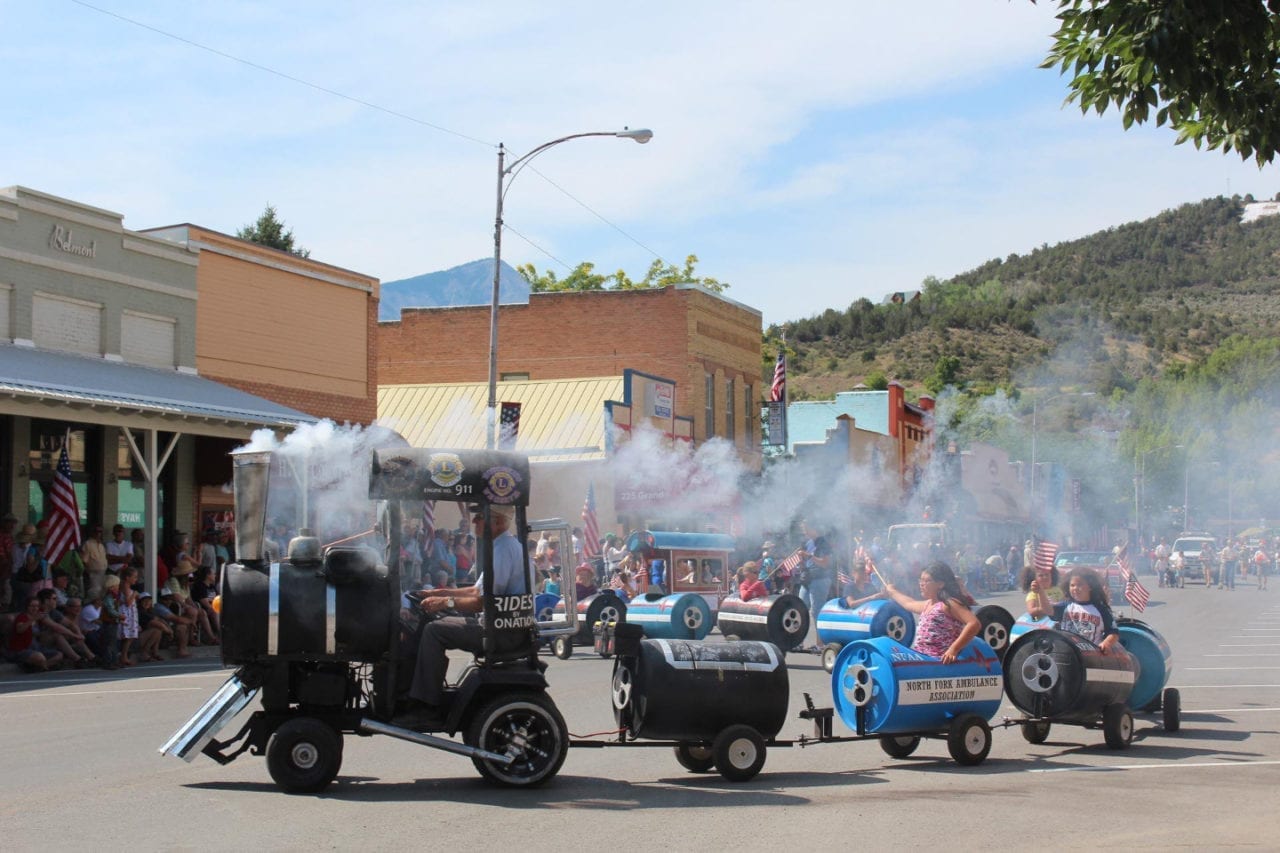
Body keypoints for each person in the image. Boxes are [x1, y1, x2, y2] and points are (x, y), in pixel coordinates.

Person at [394, 505, 535, 729]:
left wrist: (445, 602)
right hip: (500, 626)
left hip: (501, 631)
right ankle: (418, 694)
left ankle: (426, 707)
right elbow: (476, 591)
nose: (474, 522)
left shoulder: (502, 550)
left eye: (480, 517)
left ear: (497, 522)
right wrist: (437, 593)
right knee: (433, 623)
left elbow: (482, 601)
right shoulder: (502, 546)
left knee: (433, 631)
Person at [883, 561, 980, 664]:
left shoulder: (949, 603)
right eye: (920, 580)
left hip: (939, 662)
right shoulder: (928, 604)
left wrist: (953, 649)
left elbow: (974, 623)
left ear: (940, 584)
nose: (921, 584)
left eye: (927, 581)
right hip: (923, 659)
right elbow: (909, 603)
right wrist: (892, 592)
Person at [1049, 570, 1120, 653]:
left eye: (1079, 585)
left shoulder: (1101, 609)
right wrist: (1039, 592)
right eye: (1072, 585)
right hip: (1066, 653)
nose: (1075, 588)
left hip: (1090, 655)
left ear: (1090, 587)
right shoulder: (1065, 606)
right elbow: (1049, 611)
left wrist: (1106, 643)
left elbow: (1114, 633)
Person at [4, 596, 64, 671]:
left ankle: (42, 666)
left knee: (59, 655)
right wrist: (33, 619)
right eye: (32, 606)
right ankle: (41, 666)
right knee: (40, 657)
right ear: (27, 607)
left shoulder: (39, 618)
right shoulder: (22, 617)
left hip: (36, 647)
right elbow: (20, 630)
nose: (35, 608)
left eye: (37, 606)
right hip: (23, 649)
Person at [81, 524, 108, 599]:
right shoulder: (87, 544)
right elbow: (84, 561)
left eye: (100, 531)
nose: (98, 533)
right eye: (96, 531)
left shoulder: (102, 545)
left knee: (101, 593)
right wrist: (89, 573)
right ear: (92, 532)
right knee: (94, 593)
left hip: (103, 572)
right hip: (93, 573)